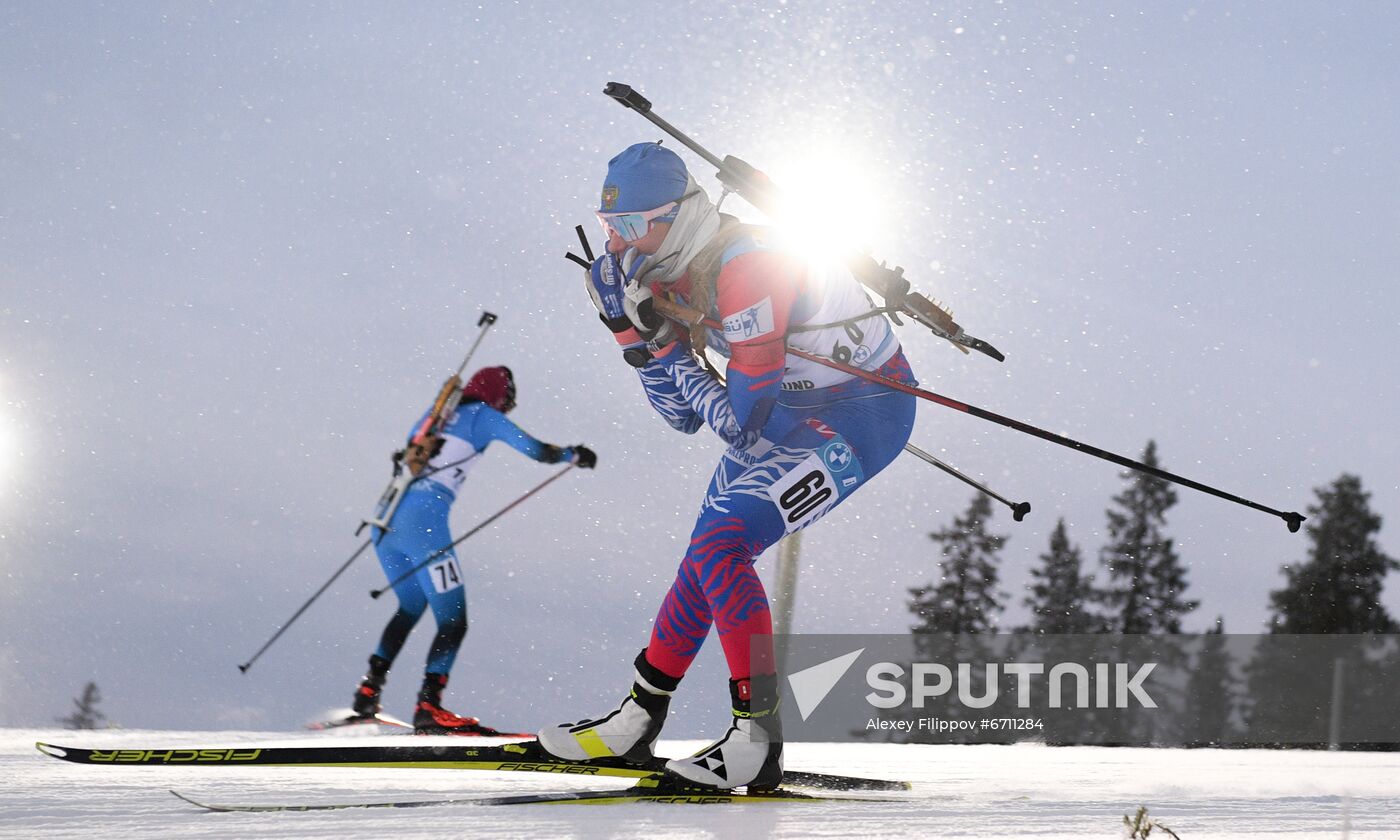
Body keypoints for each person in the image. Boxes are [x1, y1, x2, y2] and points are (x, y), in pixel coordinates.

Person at [538, 142, 917, 788]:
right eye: (609, 229)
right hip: (784, 410)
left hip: (862, 413)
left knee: (722, 542)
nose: (623, 244)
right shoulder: (659, 267)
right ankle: (637, 719)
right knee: (705, 554)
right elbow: (682, 414)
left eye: (634, 225)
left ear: (680, 215)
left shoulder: (749, 271)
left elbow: (738, 423)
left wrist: (660, 344)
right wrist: (628, 334)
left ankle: (756, 740)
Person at [353, 365, 597, 735]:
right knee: (453, 620)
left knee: (411, 606)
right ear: (499, 396)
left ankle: (368, 691)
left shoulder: (436, 415)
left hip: (385, 523)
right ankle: (429, 707)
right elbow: (537, 451)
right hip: (424, 528)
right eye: (508, 401)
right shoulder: (483, 415)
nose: (507, 409)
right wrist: (572, 454)